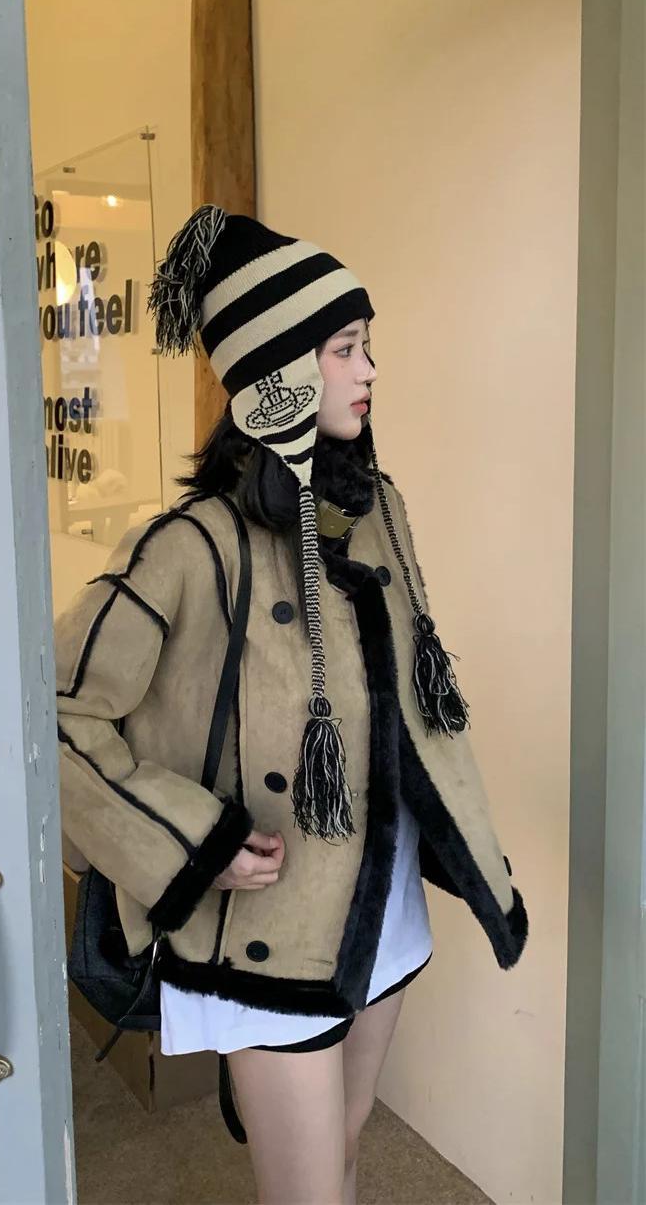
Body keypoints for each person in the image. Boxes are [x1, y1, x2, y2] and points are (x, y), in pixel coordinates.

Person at [56, 203, 528, 1205]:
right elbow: (57, 715)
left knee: (343, 1153)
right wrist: (196, 842)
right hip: (264, 922)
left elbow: (410, 704)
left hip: (378, 902)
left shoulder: (376, 509)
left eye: (366, 346)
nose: (369, 371)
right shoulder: (188, 546)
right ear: (279, 371)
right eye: (345, 349)